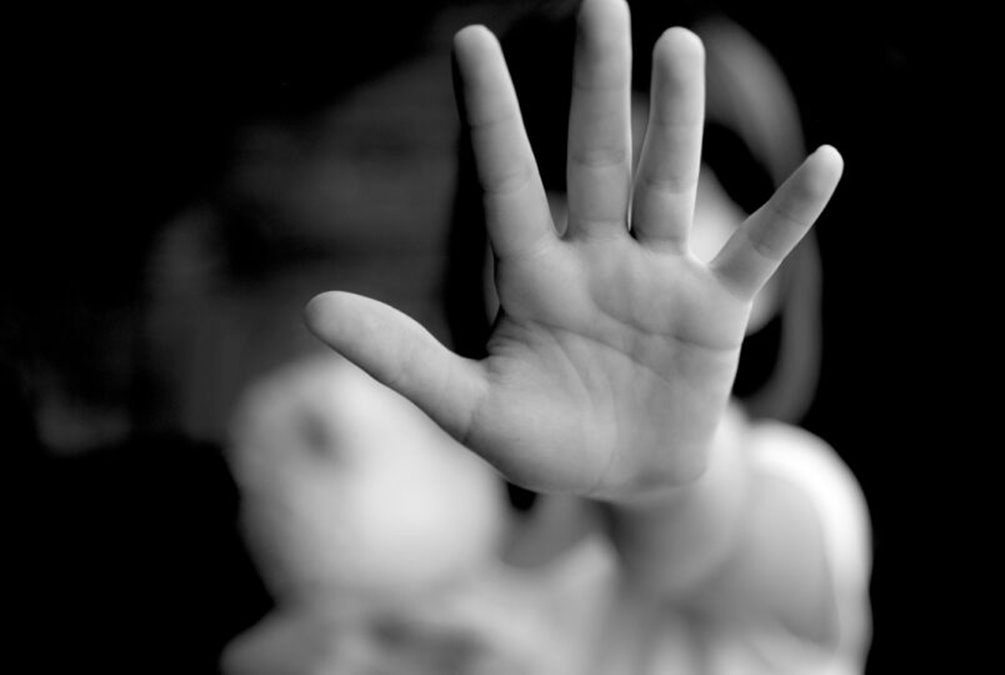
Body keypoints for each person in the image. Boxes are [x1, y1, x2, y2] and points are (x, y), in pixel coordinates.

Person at [220, 0, 871, 673]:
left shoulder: (799, 487)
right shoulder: (423, 521)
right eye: (562, 188)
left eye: (676, 196)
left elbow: (716, 537)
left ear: (775, 269)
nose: (612, 250)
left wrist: (656, 474)